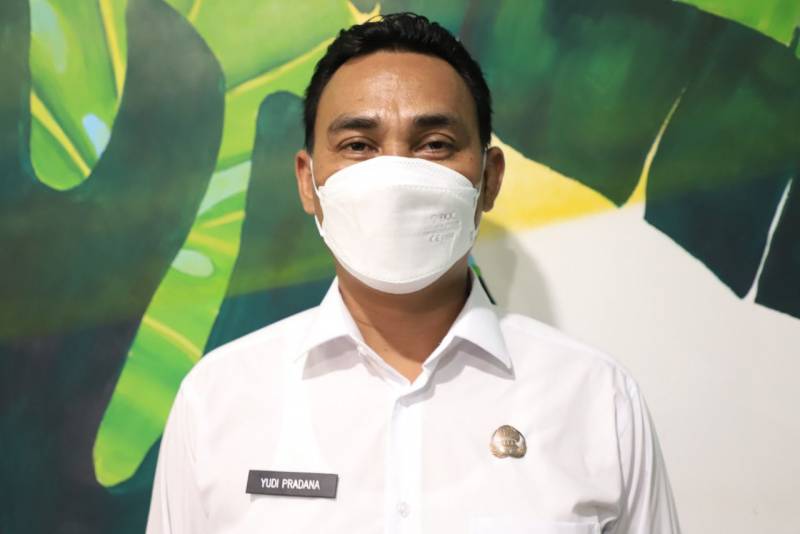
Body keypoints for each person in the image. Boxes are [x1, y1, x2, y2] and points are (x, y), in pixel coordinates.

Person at [146, 12, 681, 534]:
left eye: (435, 145)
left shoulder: (595, 401)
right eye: (359, 145)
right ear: (308, 181)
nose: (397, 176)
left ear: (490, 179)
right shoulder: (217, 400)